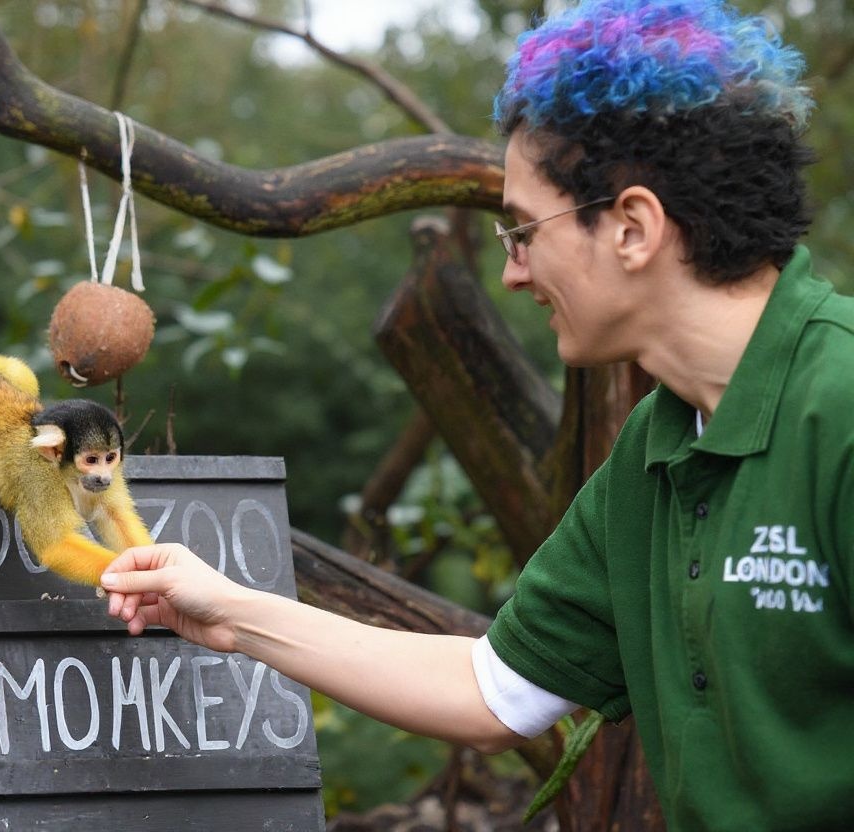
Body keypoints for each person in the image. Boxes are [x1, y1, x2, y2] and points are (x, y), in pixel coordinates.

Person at [100, 0, 854, 828]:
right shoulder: (658, 446)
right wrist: (230, 610)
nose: (514, 274)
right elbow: (494, 691)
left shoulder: (840, 410)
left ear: (633, 227)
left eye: (525, 231)